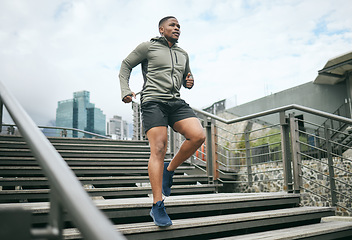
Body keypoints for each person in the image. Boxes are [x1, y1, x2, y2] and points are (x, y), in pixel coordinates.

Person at [119, 16, 205, 227]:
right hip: (152, 101)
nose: (176, 28)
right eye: (172, 25)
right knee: (158, 148)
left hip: (175, 101)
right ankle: (158, 204)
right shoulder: (147, 47)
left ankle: (169, 170)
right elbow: (125, 66)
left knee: (198, 136)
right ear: (161, 29)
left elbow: (187, 79)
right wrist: (125, 91)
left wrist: (190, 82)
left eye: (178, 26)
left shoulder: (183, 54)